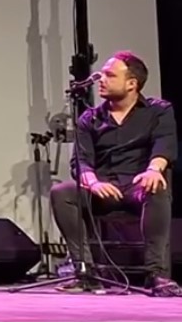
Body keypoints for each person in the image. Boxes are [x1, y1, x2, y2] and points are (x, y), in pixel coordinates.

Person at [49, 52, 179, 296]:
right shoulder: (90, 118)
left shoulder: (158, 111)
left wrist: (154, 169)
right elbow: (81, 161)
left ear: (132, 83)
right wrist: (93, 182)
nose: (102, 79)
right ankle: (85, 272)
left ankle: (156, 274)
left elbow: (165, 143)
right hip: (103, 189)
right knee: (61, 193)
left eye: (110, 75)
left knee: (157, 186)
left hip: (138, 185)